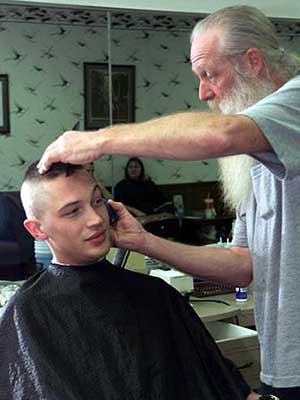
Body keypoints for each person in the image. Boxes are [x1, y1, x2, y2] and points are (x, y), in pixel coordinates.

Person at [37, 5, 300, 398]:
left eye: (209, 75)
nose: (203, 92)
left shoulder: (293, 105)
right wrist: (144, 241)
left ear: (253, 61)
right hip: (283, 360)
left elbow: (221, 134)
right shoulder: (259, 149)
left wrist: (95, 140)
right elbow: (244, 265)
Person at [0, 161, 259, 400]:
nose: (96, 219)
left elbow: (221, 383)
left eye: (98, 201)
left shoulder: (156, 294)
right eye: (73, 212)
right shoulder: (27, 312)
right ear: (37, 229)